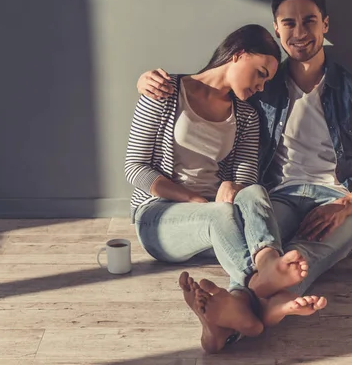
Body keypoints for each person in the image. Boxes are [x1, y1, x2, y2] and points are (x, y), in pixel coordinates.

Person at [137, 0, 352, 299]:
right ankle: (247, 302)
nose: (299, 32)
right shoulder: (260, 89)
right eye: (289, 23)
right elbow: (210, 87)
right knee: (271, 258)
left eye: (309, 21)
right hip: (279, 198)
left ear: (325, 24)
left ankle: (235, 304)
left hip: (337, 199)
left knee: (301, 259)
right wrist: (147, 80)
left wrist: (343, 206)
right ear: (276, 29)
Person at [125, 24, 325, 353]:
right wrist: (196, 199)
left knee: (256, 193)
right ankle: (260, 285)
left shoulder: (246, 117)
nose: (261, 87)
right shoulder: (165, 91)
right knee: (220, 214)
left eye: (266, 82)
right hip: (158, 218)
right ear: (238, 55)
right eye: (260, 74)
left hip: (220, 223)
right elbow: (135, 168)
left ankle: (226, 322)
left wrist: (233, 185)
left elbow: (245, 182)